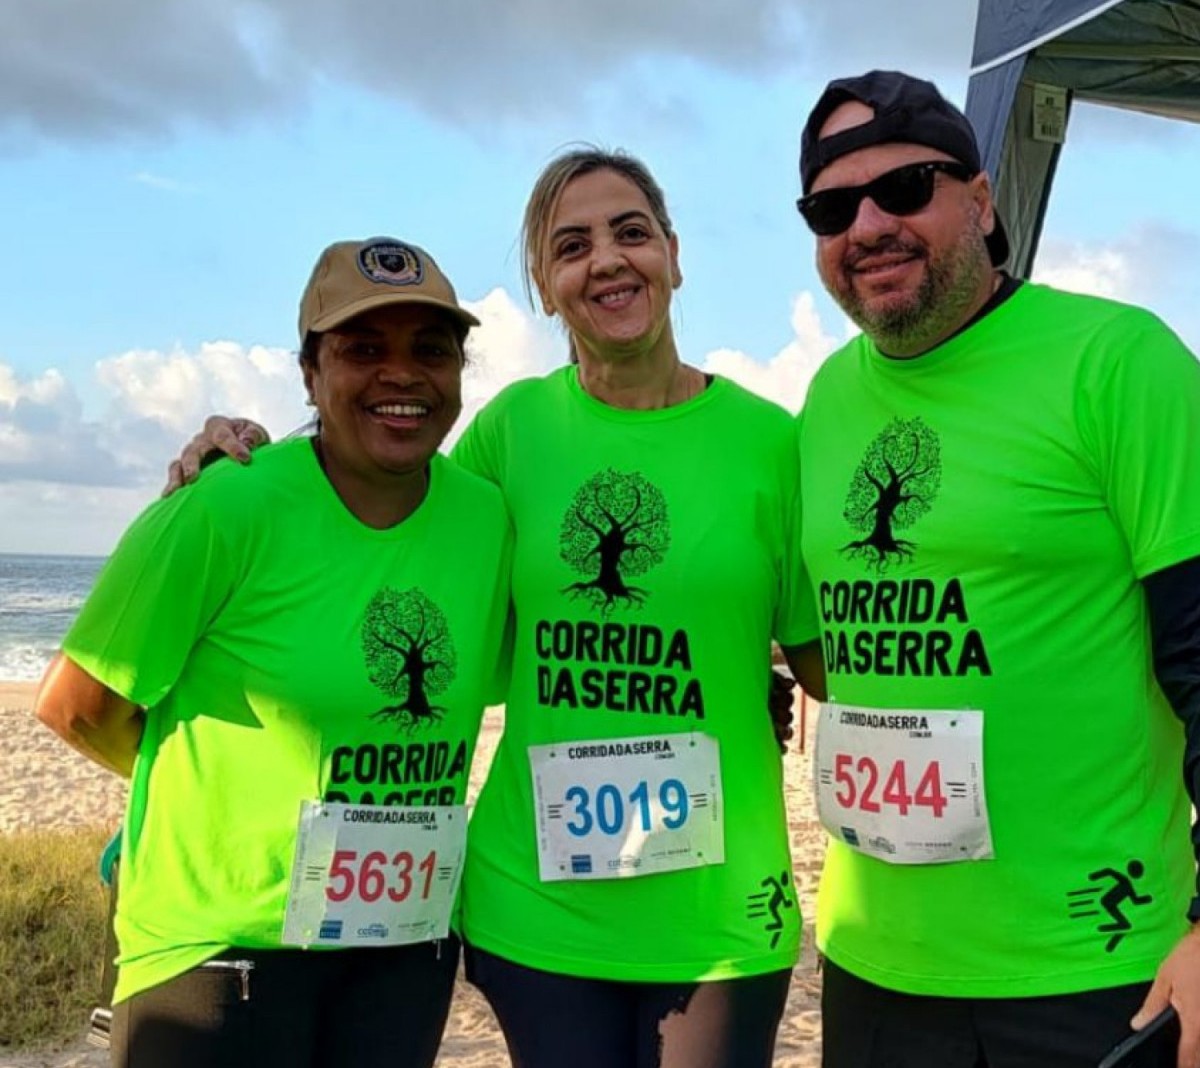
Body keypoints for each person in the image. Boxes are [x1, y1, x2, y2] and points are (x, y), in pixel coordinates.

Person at [163, 147, 826, 1068]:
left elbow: (834, 663)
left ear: (674, 255)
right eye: (571, 246)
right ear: (545, 290)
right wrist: (252, 459)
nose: (607, 259)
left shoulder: (772, 442)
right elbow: (382, 524)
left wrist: (748, 679)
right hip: (535, 903)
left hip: (722, 908)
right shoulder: (510, 431)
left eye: (631, 233)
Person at [793, 70, 1200, 1068]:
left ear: (980, 199)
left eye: (903, 189)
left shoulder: (1119, 362)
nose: (868, 226)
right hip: (873, 968)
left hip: (1091, 967)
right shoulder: (826, 400)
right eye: (833, 209)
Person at [35, 236, 513, 1068]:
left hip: (404, 946)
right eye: (364, 349)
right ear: (309, 373)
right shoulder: (225, 505)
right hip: (221, 955)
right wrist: (219, 794)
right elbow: (75, 706)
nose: (401, 375)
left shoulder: (487, 519)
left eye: (431, 350)